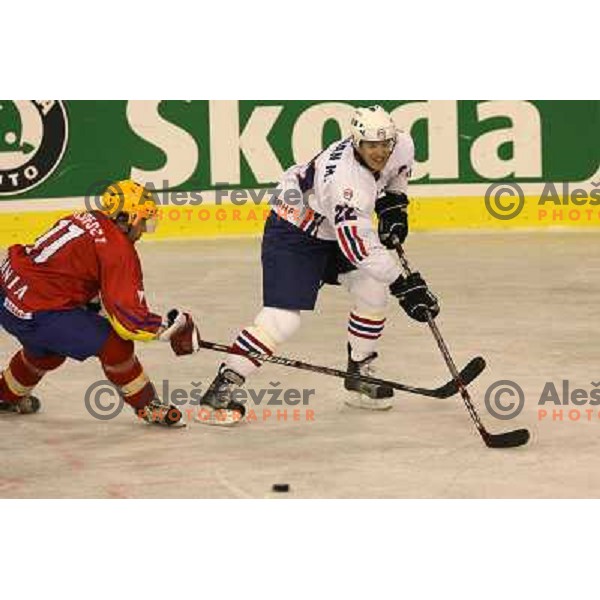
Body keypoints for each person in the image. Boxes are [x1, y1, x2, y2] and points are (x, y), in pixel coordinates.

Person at [197, 105, 439, 426]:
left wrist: (394, 208)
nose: (380, 152)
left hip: (333, 227)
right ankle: (222, 387)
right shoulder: (346, 183)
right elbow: (359, 247)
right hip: (296, 231)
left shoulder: (403, 144)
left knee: (372, 289)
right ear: (356, 143)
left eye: (385, 144)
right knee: (282, 320)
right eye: (371, 145)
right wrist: (404, 286)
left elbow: (394, 181)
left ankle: (359, 373)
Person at [0, 179, 199, 426]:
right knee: (116, 344)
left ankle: (4, 394)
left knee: (46, 353)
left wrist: (96, 309)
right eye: (144, 220)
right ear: (129, 218)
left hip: (8, 293)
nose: (145, 229)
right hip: (39, 309)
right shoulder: (118, 249)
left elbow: (70, 277)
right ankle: (148, 406)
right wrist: (173, 326)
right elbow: (131, 322)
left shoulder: (84, 218)